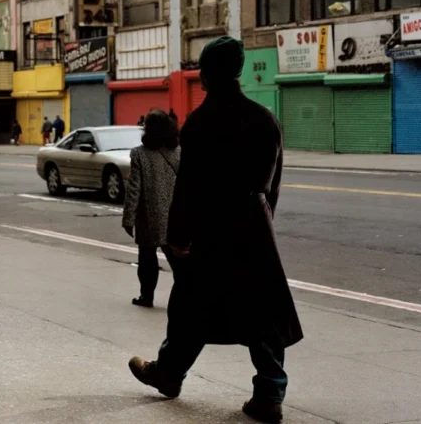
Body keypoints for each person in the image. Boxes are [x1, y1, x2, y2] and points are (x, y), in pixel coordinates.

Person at [128, 36, 302, 424]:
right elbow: (272, 184)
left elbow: (188, 189)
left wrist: (177, 237)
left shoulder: (201, 124)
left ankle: (168, 374)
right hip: (254, 229)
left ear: (207, 73)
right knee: (263, 311)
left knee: (191, 306)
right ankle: (270, 394)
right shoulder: (264, 119)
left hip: (211, 229)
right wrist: (262, 220)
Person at [123, 109, 180, 308]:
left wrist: (128, 219)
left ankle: (147, 297)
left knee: (147, 259)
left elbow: (134, 189)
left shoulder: (139, 154)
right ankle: (187, 298)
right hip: (175, 215)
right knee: (178, 261)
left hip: (149, 215)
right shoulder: (178, 151)